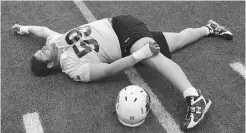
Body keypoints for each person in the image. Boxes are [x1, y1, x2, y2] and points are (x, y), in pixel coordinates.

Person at [12, 15, 233, 130]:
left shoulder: (54, 41)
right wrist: (137, 55)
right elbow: (108, 70)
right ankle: (209, 28)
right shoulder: (72, 68)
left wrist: (23, 29)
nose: (43, 47)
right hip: (127, 44)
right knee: (175, 41)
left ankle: (195, 97)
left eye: (40, 48)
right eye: (42, 53)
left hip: (121, 28)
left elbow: (42, 31)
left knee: (151, 56)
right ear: (50, 66)